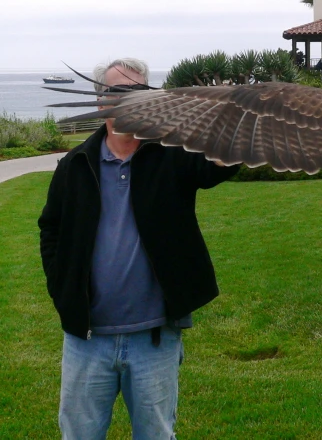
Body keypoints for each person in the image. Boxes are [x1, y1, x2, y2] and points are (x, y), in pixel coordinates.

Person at [38, 58, 238, 439]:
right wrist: (62, 288)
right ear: (100, 102)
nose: (126, 101)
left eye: (136, 92)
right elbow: (51, 228)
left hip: (154, 341)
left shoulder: (174, 155)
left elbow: (222, 163)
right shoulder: (75, 165)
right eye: (116, 92)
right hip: (87, 341)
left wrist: (232, 110)